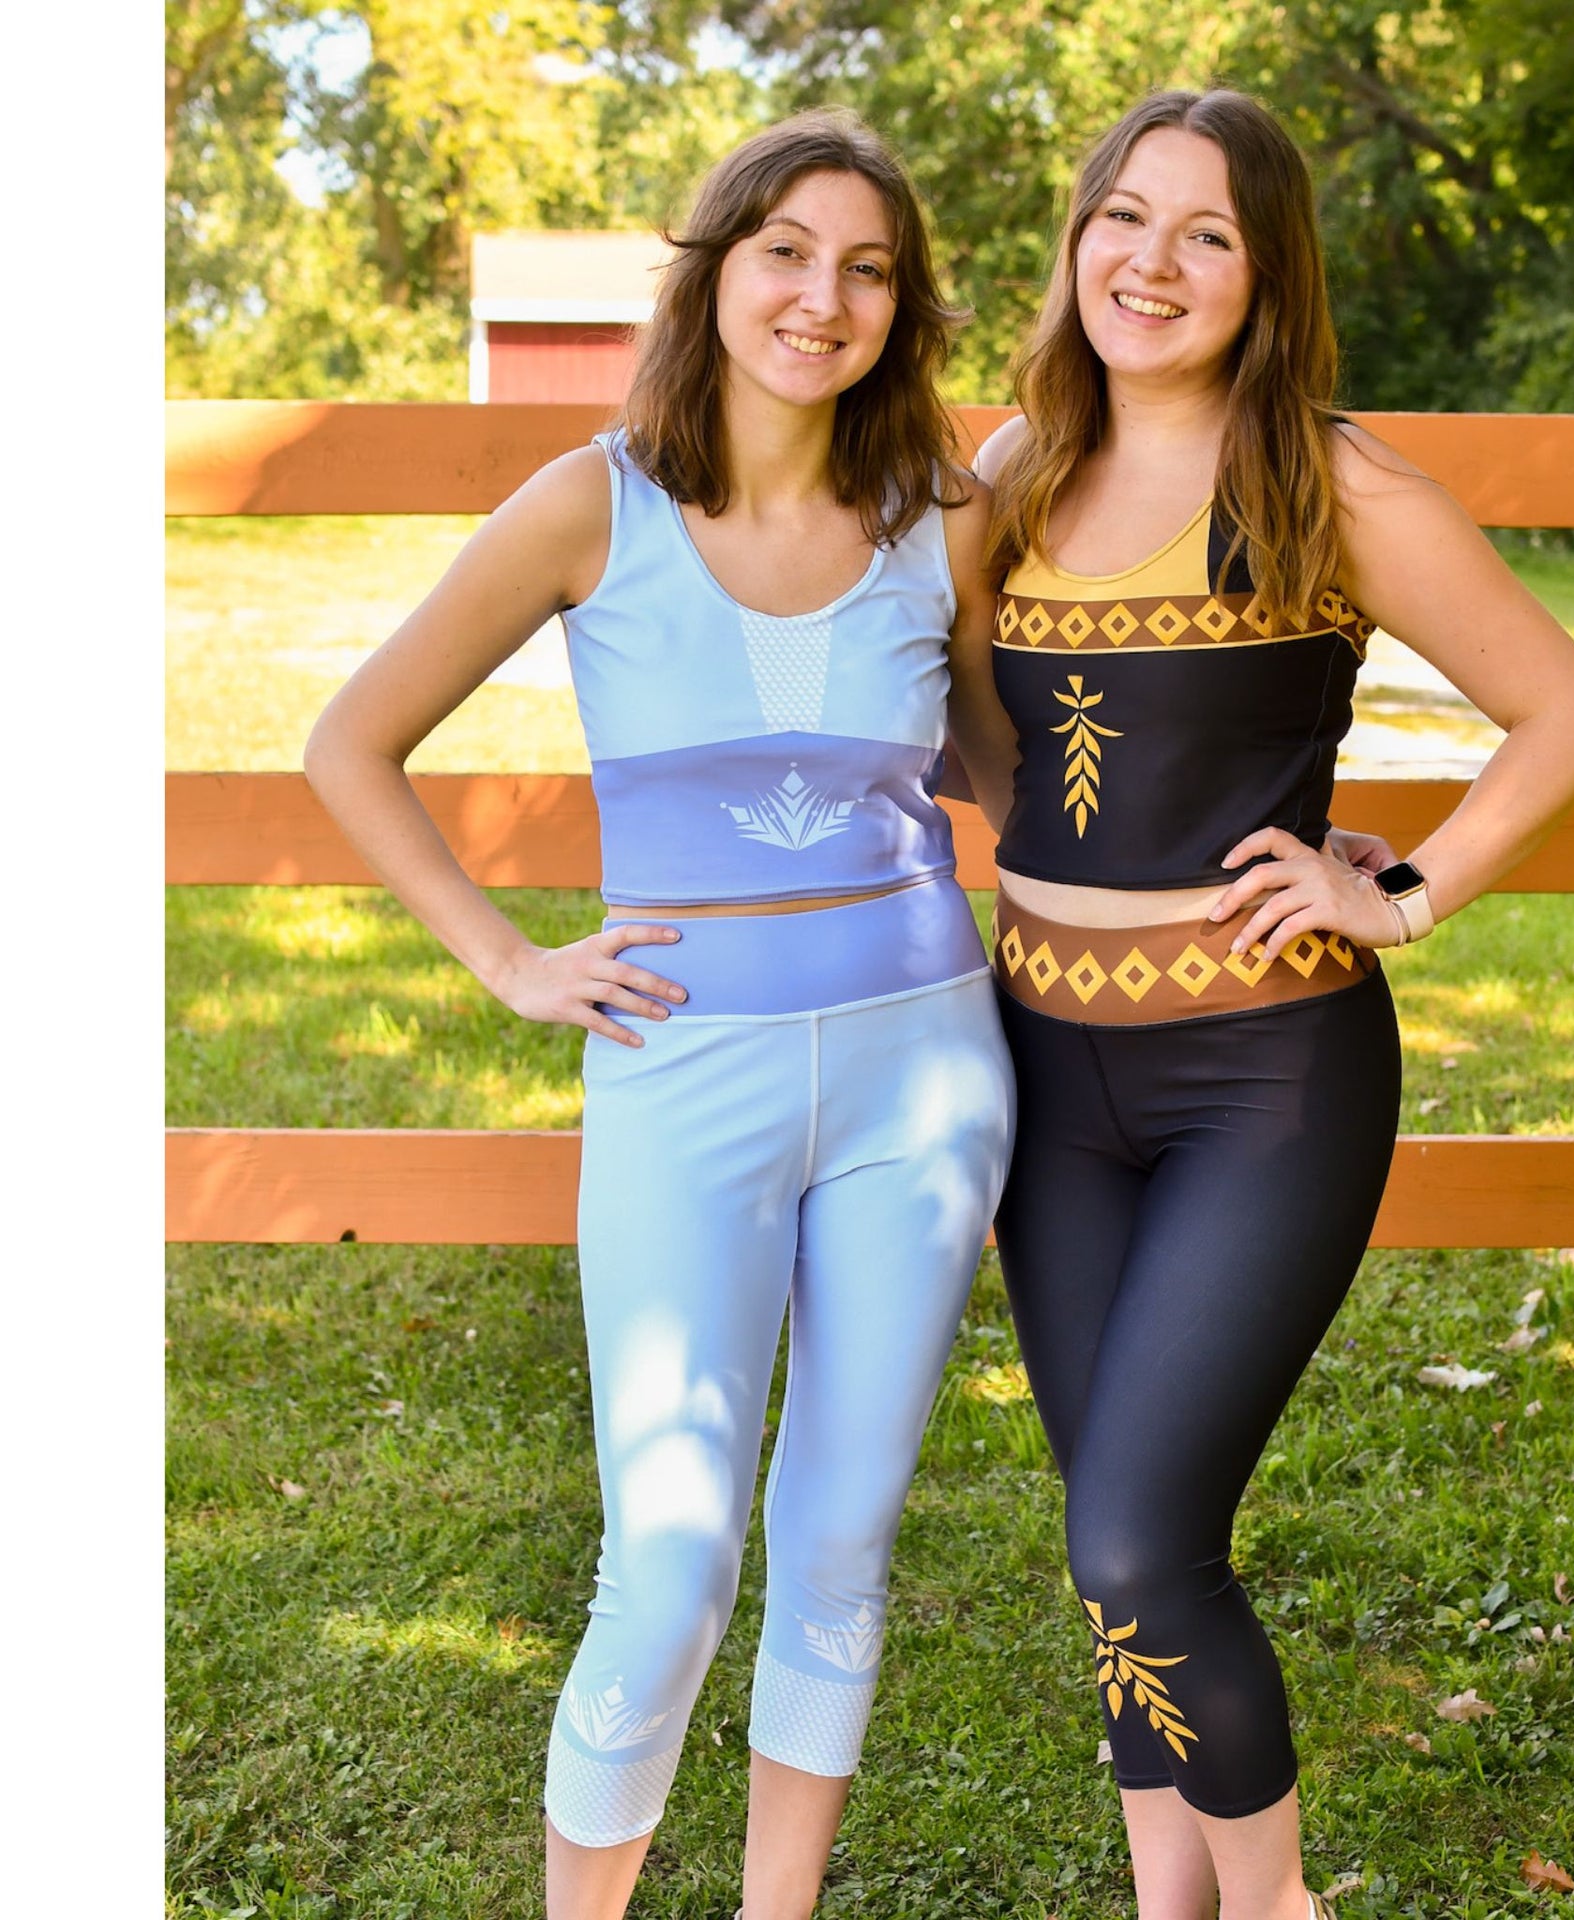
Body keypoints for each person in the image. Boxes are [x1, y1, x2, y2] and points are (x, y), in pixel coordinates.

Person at [303, 111, 1016, 1920]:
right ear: (713, 271)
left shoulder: (946, 516)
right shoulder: (592, 503)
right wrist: (511, 964)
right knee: (670, 1568)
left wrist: (1263, 840)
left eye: (868, 269)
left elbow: (1023, 781)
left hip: (926, 1076)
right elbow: (351, 742)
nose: (823, 298)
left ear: (903, 309)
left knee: (839, 1542)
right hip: (681, 1076)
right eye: (787, 251)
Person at [960, 89, 1574, 1920]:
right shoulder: (1011, 470)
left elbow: (1568, 714)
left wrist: (1398, 892)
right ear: (1077, 239)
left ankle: (1277, 1908)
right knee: (1119, 1557)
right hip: (1046, 1074)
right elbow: (972, 731)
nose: (1151, 262)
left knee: (1136, 1539)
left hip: (1261, 1081)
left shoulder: (1328, 485)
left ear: (1269, 277)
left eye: (1210, 234)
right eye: (1124, 215)